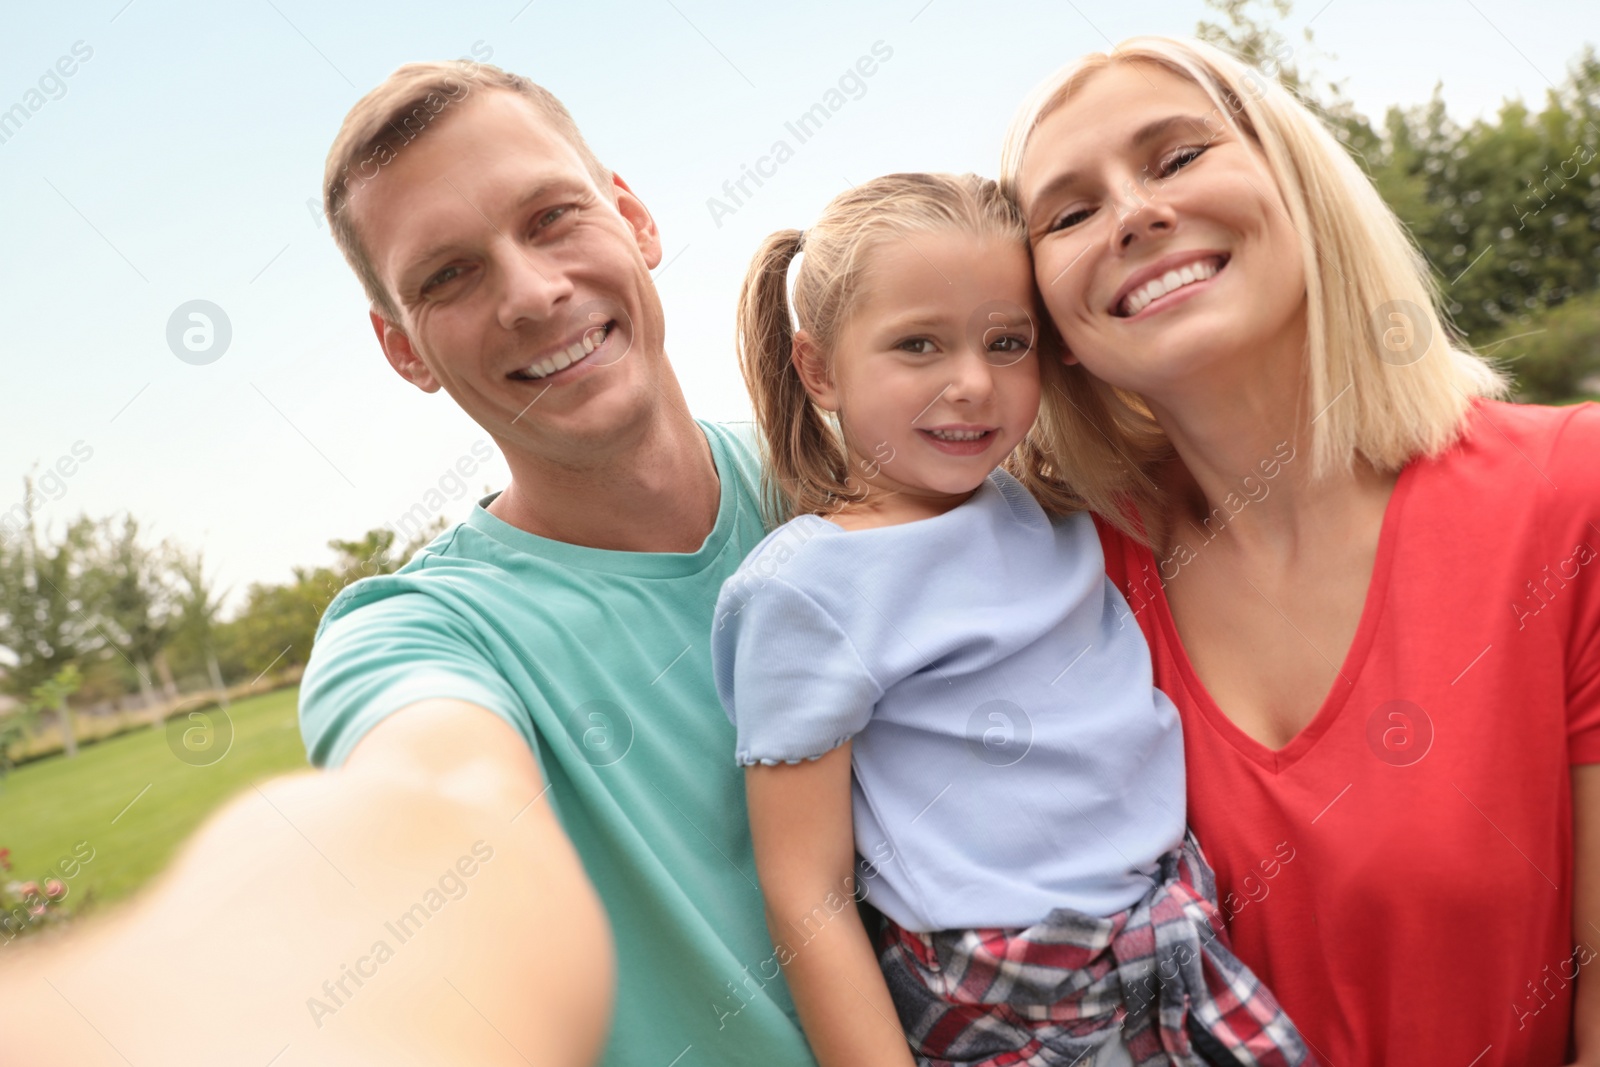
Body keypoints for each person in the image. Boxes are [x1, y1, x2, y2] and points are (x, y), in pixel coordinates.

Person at [0, 59, 816, 1066]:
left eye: (552, 216)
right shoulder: (414, 636)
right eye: (448, 275)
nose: (531, 291)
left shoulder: (842, 482)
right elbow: (433, 819)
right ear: (404, 350)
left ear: (634, 218)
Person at [1001, 35, 1600, 1067]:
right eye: (1067, 213)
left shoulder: (1570, 493)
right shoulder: (1050, 587)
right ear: (1051, 324)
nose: (1135, 212)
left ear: (1300, 186)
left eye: (1177, 156)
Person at [713, 172, 1310, 1067]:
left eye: (1006, 342)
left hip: (1175, 934)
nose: (971, 384)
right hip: (1012, 994)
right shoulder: (808, 586)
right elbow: (808, 893)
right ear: (819, 370)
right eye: (917, 344)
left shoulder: (1049, 505)